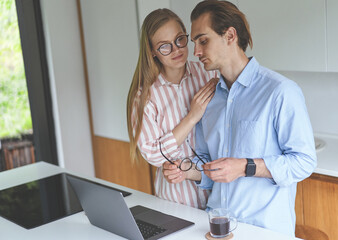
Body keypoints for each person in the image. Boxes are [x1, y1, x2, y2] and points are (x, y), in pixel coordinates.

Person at [162, 0, 317, 236]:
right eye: (194, 43)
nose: (196, 52)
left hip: (263, 230)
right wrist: (188, 171)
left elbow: (304, 162)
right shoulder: (209, 99)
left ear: (230, 35)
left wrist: (246, 166)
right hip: (216, 225)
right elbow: (209, 166)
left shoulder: (280, 91)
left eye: (203, 41)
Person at [126, 8, 218, 209]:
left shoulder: (208, 74)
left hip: (218, 196)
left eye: (179, 40)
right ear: (152, 51)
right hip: (175, 201)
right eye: (164, 46)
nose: (176, 50)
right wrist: (192, 117)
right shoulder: (144, 96)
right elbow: (153, 154)